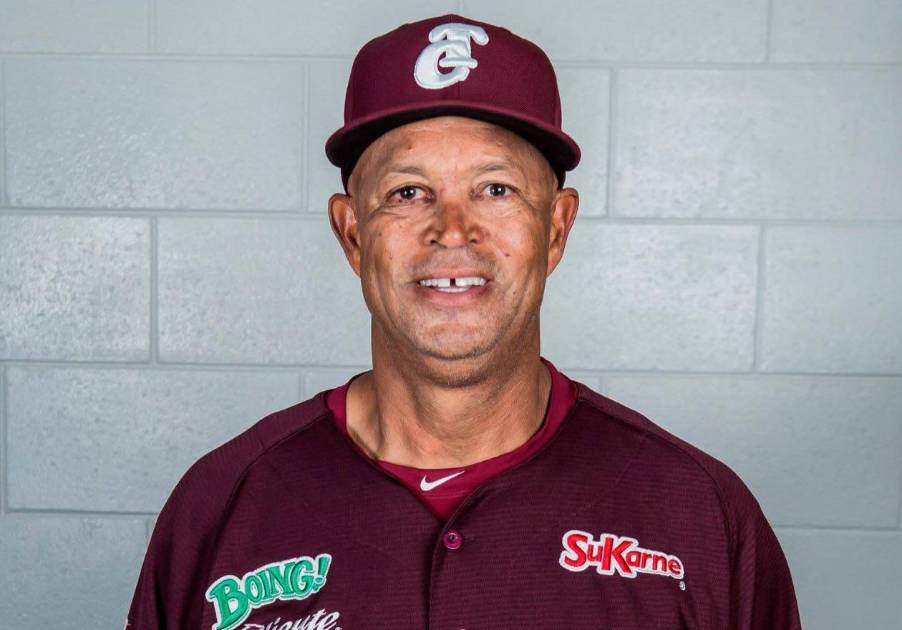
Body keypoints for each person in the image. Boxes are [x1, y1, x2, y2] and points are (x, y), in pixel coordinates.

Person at [126, 14, 802, 630]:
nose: (453, 230)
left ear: (556, 228)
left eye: (496, 189)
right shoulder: (220, 508)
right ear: (353, 233)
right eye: (408, 192)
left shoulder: (701, 516)